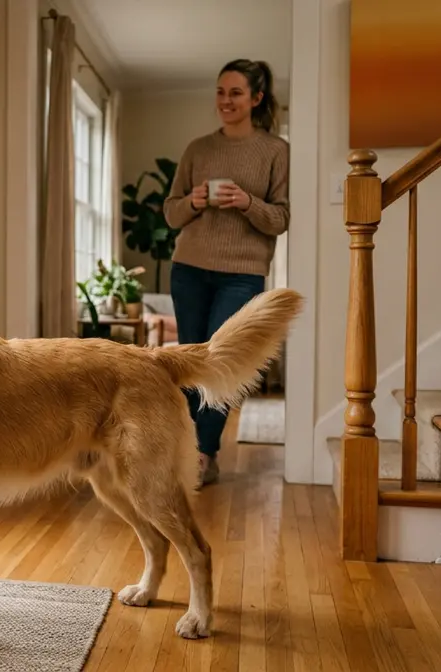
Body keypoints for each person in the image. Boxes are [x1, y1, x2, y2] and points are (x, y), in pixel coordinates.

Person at [163, 58, 290, 489]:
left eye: (235, 93)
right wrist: (196, 200)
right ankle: (179, 450)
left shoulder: (275, 151)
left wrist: (247, 202)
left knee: (220, 367)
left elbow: (280, 218)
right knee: (188, 365)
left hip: (242, 274)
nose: (225, 101)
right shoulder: (198, 149)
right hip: (189, 270)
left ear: (256, 99)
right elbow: (171, 213)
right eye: (220, 92)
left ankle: (203, 454)